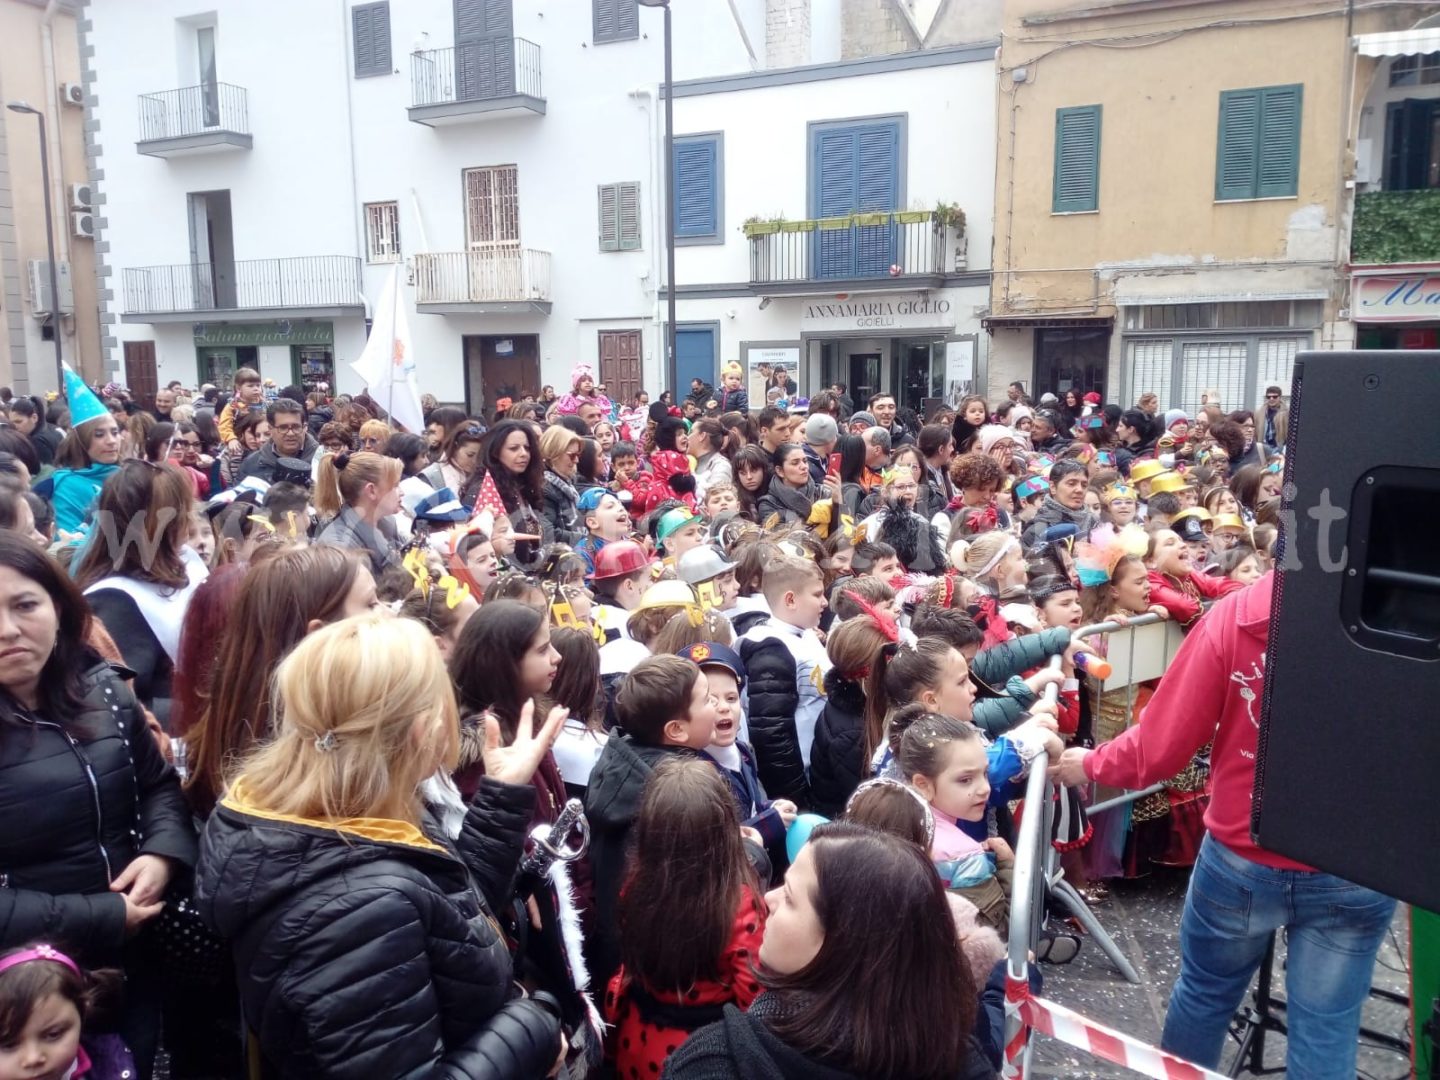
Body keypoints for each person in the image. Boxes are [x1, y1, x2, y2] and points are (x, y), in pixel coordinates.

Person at [1052, 573, 1396, 1077]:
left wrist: (1091, 764)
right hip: (1358, 858)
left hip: (1246, 856)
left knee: (1205, 996)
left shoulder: (1240, 615)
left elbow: (1160, 746)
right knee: (1326, 1027)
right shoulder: (1411, 615)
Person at [194, 615, 567, 1079]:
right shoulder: (357, 911)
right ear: (420, 732)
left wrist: (501, 799)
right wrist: (531, 1027)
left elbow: (448, 916)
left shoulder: (351, 808)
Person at [0, 534, 196, 1077]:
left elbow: (156, 786)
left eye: (25, 605)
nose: (8, 630)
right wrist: (105, 916)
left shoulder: (102, 691)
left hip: (128, 967)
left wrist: (161, 854)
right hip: (23, 1000)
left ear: (59, 609)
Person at [664, 822, 993, 1079]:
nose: (769, 899)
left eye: (791, 897)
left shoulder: (712, 1065)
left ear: (843, 942)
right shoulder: (960, 1061)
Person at [605, 759, 766, 1077]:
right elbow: (755, 1001)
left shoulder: (635, 886)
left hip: (636, 1040)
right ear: (724, 831)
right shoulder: (741, 905)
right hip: (703, 1056)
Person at [585, 654, 718, 988]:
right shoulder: (678, 794)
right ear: (676, 730)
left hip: (622, 955)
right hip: (657, 969)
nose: (717, 704)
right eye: (706, 699)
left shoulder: (624, 762)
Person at [74, 460, 208, 728]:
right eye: (183, 511)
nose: (190, 519)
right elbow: (120, 702)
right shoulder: (112, 602)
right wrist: (201, 707)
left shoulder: (185, 562)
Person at [897, 708, 1013, 928]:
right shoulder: (962, 854)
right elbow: (997, 932)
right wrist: (1008, 866)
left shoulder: (894, 819)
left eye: (985, 773)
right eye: (965, 780)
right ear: (923, 785)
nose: (984, 788)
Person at [737, 556, 829, 808]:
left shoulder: (805, 634)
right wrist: (795, 798)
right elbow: (771, 734)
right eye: (817, 594)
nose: (825, 602)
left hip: (820, 775)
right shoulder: (770, 649)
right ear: (790, 599)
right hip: (801, 785)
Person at [47, 403, 122, 536]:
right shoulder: (66, 485)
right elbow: (67, 545)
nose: (111, 441)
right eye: (99, 434)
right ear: (81, 440)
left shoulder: (129, 475)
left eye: (115, 432)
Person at [235, 398, 317, 484]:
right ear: (270, 429)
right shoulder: (251, 464)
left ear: (304, 427)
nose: (290, 433)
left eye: (296, 427)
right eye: (283, 428)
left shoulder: (324, 461)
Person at [539, 424, 585, 546]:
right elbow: (549, 533)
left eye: (578, 455)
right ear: (553, 454)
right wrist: (587, 539)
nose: (576, 460)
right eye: (572, 455)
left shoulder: (567, 482)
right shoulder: (544, 488)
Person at [215, 367, 266, 450]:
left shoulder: (264, 404)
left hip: (262, 442)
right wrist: (231, 439)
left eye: (258, 385)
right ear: (238, 388)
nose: (256, 388)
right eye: (250, 386)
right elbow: (224, 426)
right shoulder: (233, 407)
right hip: (239, 444)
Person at [7, 395, 63, 468]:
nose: (14, 426)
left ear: (34, 418)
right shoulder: (53, 428)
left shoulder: (37, 441)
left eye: (18, 422)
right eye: (12, 423)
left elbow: (45, 473)